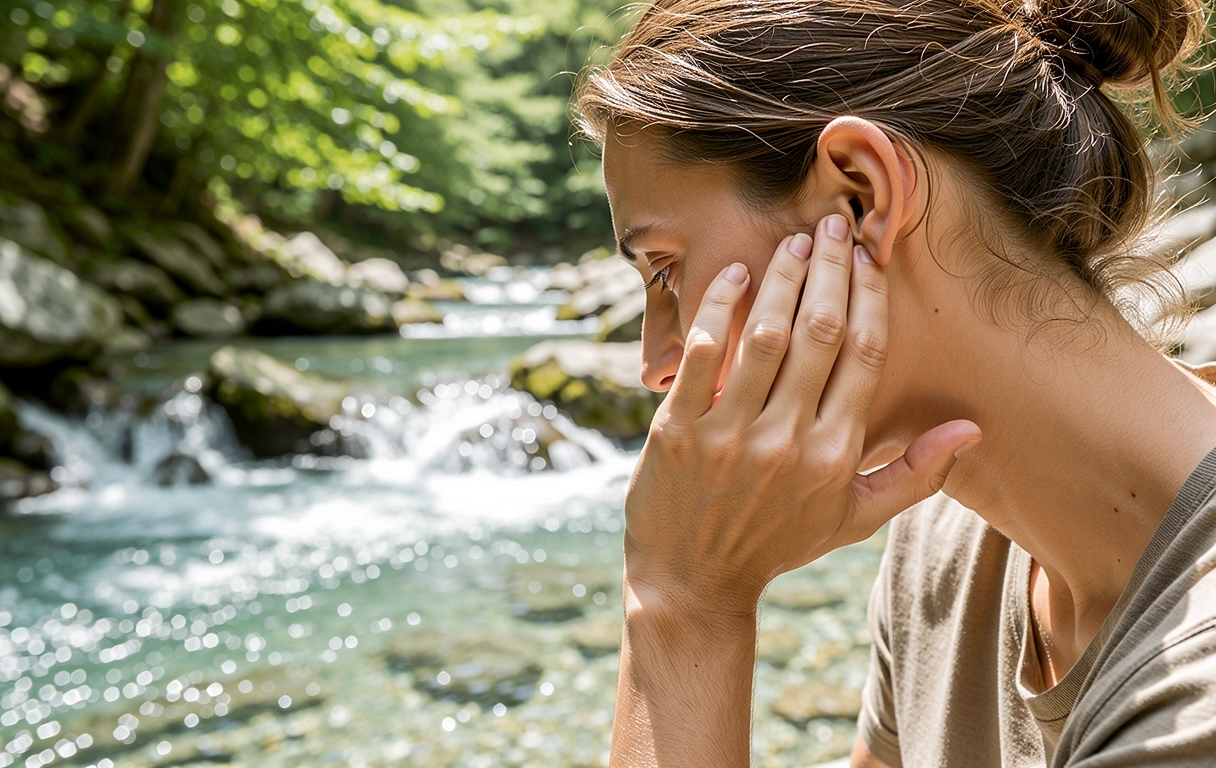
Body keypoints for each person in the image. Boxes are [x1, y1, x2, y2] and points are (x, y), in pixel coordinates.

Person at [573, 0, 1216, 765]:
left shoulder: (1195, 701)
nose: (655, 363)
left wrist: (684, 602)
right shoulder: (944, 535)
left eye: (665, 270)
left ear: (861, 195)